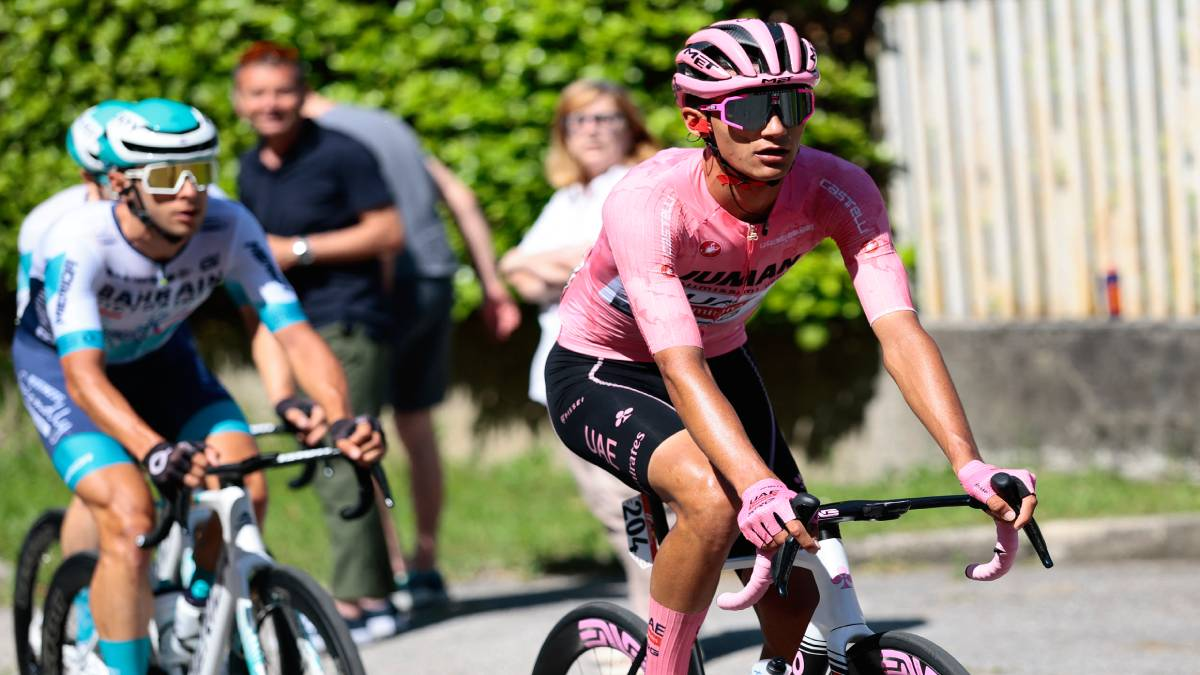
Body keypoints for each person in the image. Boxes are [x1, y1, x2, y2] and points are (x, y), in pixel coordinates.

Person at [542, 19, 1040, 674]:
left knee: (798, 576)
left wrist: (968, 463)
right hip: (606, 370)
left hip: (720, 362)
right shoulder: (649, 201)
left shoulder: (838, 189)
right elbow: (677, 363)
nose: (776, 128)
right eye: (750, 110)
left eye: (793, 104)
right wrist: (754, 486)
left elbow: (898, 330)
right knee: (715, 500)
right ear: (698, 120)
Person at [12, 97, 386, 675]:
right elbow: (83, 377)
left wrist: (340, 417)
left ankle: (194, 616)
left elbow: (292, 331)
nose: (188, 192)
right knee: (131, 518)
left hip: (160, 359)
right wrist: (154, 451)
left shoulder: (229, 224)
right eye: (166, 177)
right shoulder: (78, 238)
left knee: (244, 486)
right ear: (122, 183)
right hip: (68, 372)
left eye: (200, 172)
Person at [300, 89, 521, 607]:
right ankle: (424, 564)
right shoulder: (389, 124)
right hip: (434, 281)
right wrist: (492, 286)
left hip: (379, 290)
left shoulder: (321, 141)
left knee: (354, 425)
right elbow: (461, 198)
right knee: (416, 425)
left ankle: (387, 572)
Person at [231, 40, 407, 640]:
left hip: (347, 320)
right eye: (258, 93)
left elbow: (388, 232)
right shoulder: (249, 167)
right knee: (319, 450)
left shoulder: (342, 153)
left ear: (303, 94)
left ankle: (364, 605)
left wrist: (299, 249)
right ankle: (368, 597)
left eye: (283, 91)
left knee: (342, 451)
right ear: (239, 101)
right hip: (288, 325)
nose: (271, 104)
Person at [498, 79, 659, 617]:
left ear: (629, 128)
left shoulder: (635, 183)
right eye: (579, 121)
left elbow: (613, 257)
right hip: (562, 371)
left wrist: (540, 262)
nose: (591, 131)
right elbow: (519, 274)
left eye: (605, 119)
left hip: (613, 370)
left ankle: (658, 627)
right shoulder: (569, 198)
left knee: (628, 504)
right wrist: (552, 264)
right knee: (609, 506)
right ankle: (654, 624)